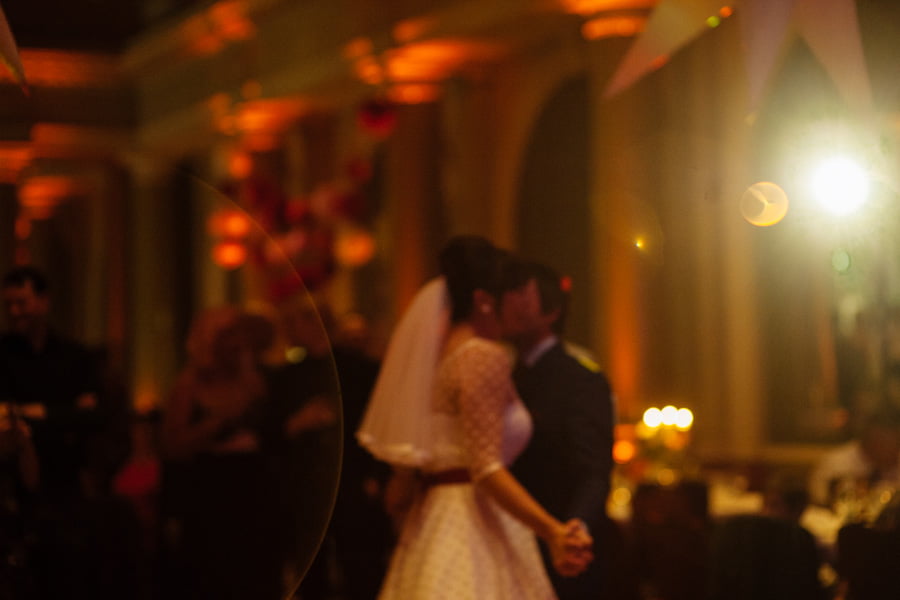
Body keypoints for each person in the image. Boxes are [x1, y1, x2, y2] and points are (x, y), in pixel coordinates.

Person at [357, 235, 592, 600]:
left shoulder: (438, 357)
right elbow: (485, 467)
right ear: (484, 300)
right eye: (512, 293)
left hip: (434, 517)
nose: (522, 302)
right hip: (473, 524)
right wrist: (553, 531)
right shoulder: (482, 355)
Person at [499, 259, 619, 599]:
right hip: (507, 539)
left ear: (551, 311)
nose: (508, 300)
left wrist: (573, 530)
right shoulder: (503, 372)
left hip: (558, 543)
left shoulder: (580, 379)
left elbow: (594, 470)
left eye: (521, 292)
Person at [159, 306, 281, 600]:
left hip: (252, 488)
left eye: (238, 334)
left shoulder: (252, 377)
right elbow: (172, 446)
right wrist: (216, 426)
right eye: (227, 335)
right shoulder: (190, 384)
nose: (236, 343)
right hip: (211, 490)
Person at [808, 409, 900, 509]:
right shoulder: (836, 464)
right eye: (886, 443)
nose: (895, 451)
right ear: (871, 439)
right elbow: (819, 503)